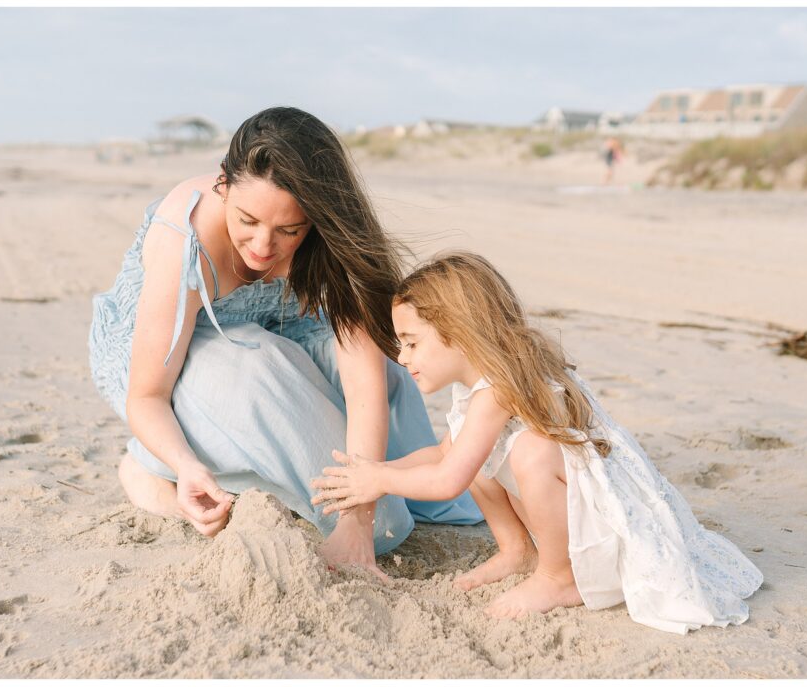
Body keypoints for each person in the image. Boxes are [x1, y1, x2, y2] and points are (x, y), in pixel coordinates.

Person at [88, 107, 482, 579]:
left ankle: (258, 463)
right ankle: (151, 467)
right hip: (170, 361)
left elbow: (363, 389)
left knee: (388, 379)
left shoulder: (333, 241)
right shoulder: (185, 239)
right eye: (247, 220)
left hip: (280, 331)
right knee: (389, 526)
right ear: (222, 185)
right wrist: (187, 467)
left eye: (289, 230)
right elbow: (147, 394)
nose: (261, 246)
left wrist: (357, 520)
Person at [311, 252, 763, 631]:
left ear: (459, 333)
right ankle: (517, 551)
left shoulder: (500, 386)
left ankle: (559, 575)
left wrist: (382, 480)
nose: (401, 356)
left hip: (602, 527)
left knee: (528, 451)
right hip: (570, 514)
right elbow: (446, 455)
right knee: (474, 453)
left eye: (412, 343)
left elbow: (448, 480)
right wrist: (369, 471)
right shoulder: (474, 385)